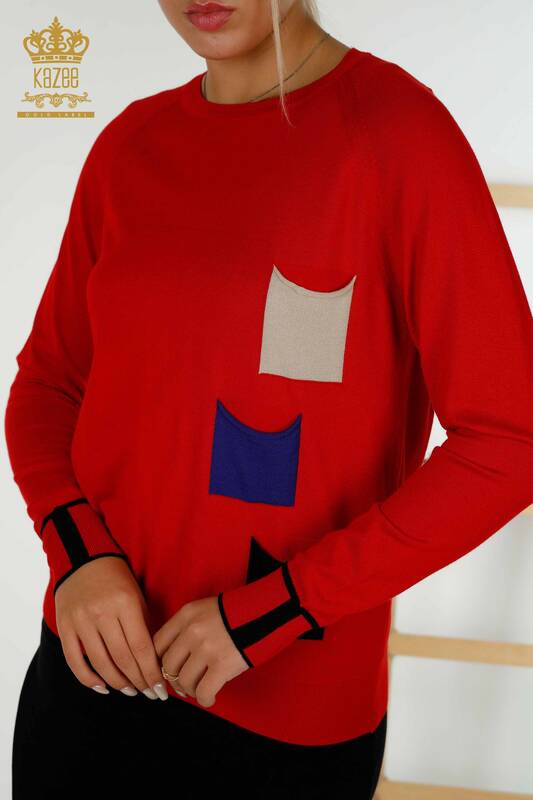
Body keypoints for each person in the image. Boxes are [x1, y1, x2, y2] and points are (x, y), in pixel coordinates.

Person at [5, 1, 532, 797]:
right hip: (89, 675)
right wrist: (79, 555)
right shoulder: (129, 146)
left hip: (285, 717)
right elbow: (49, 384)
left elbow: (509, 441)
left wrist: (279, 608)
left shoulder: (397, 136)